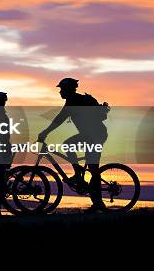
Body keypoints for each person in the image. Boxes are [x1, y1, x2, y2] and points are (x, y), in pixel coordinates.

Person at [37, 77, 108, 212]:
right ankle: (79, 173)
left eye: (62, 89)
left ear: (68, 90)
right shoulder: (73, 100)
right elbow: (60, 118)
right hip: (90, 134)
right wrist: (46, 132)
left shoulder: (74, 101)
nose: (60, 92)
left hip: (95, 135)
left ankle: (97, 201)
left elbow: (59, 119)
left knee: (92, 168)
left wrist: (45, 132)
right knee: (70, 146)